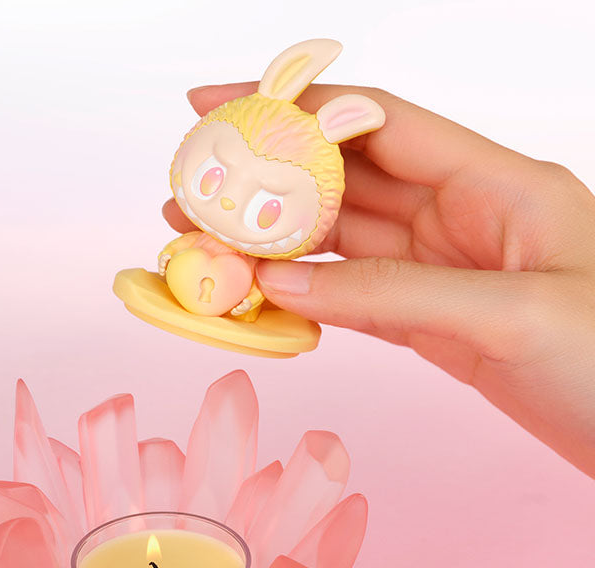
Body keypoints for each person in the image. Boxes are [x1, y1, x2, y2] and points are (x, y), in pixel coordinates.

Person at [162, 82, 595, 480]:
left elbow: (251, 285)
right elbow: (182, 248)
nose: (228, 203)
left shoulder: (258, 262)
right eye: (213, 175)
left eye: (267, 210)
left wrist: (248, 296)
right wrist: (174, 258)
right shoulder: (204, 238)